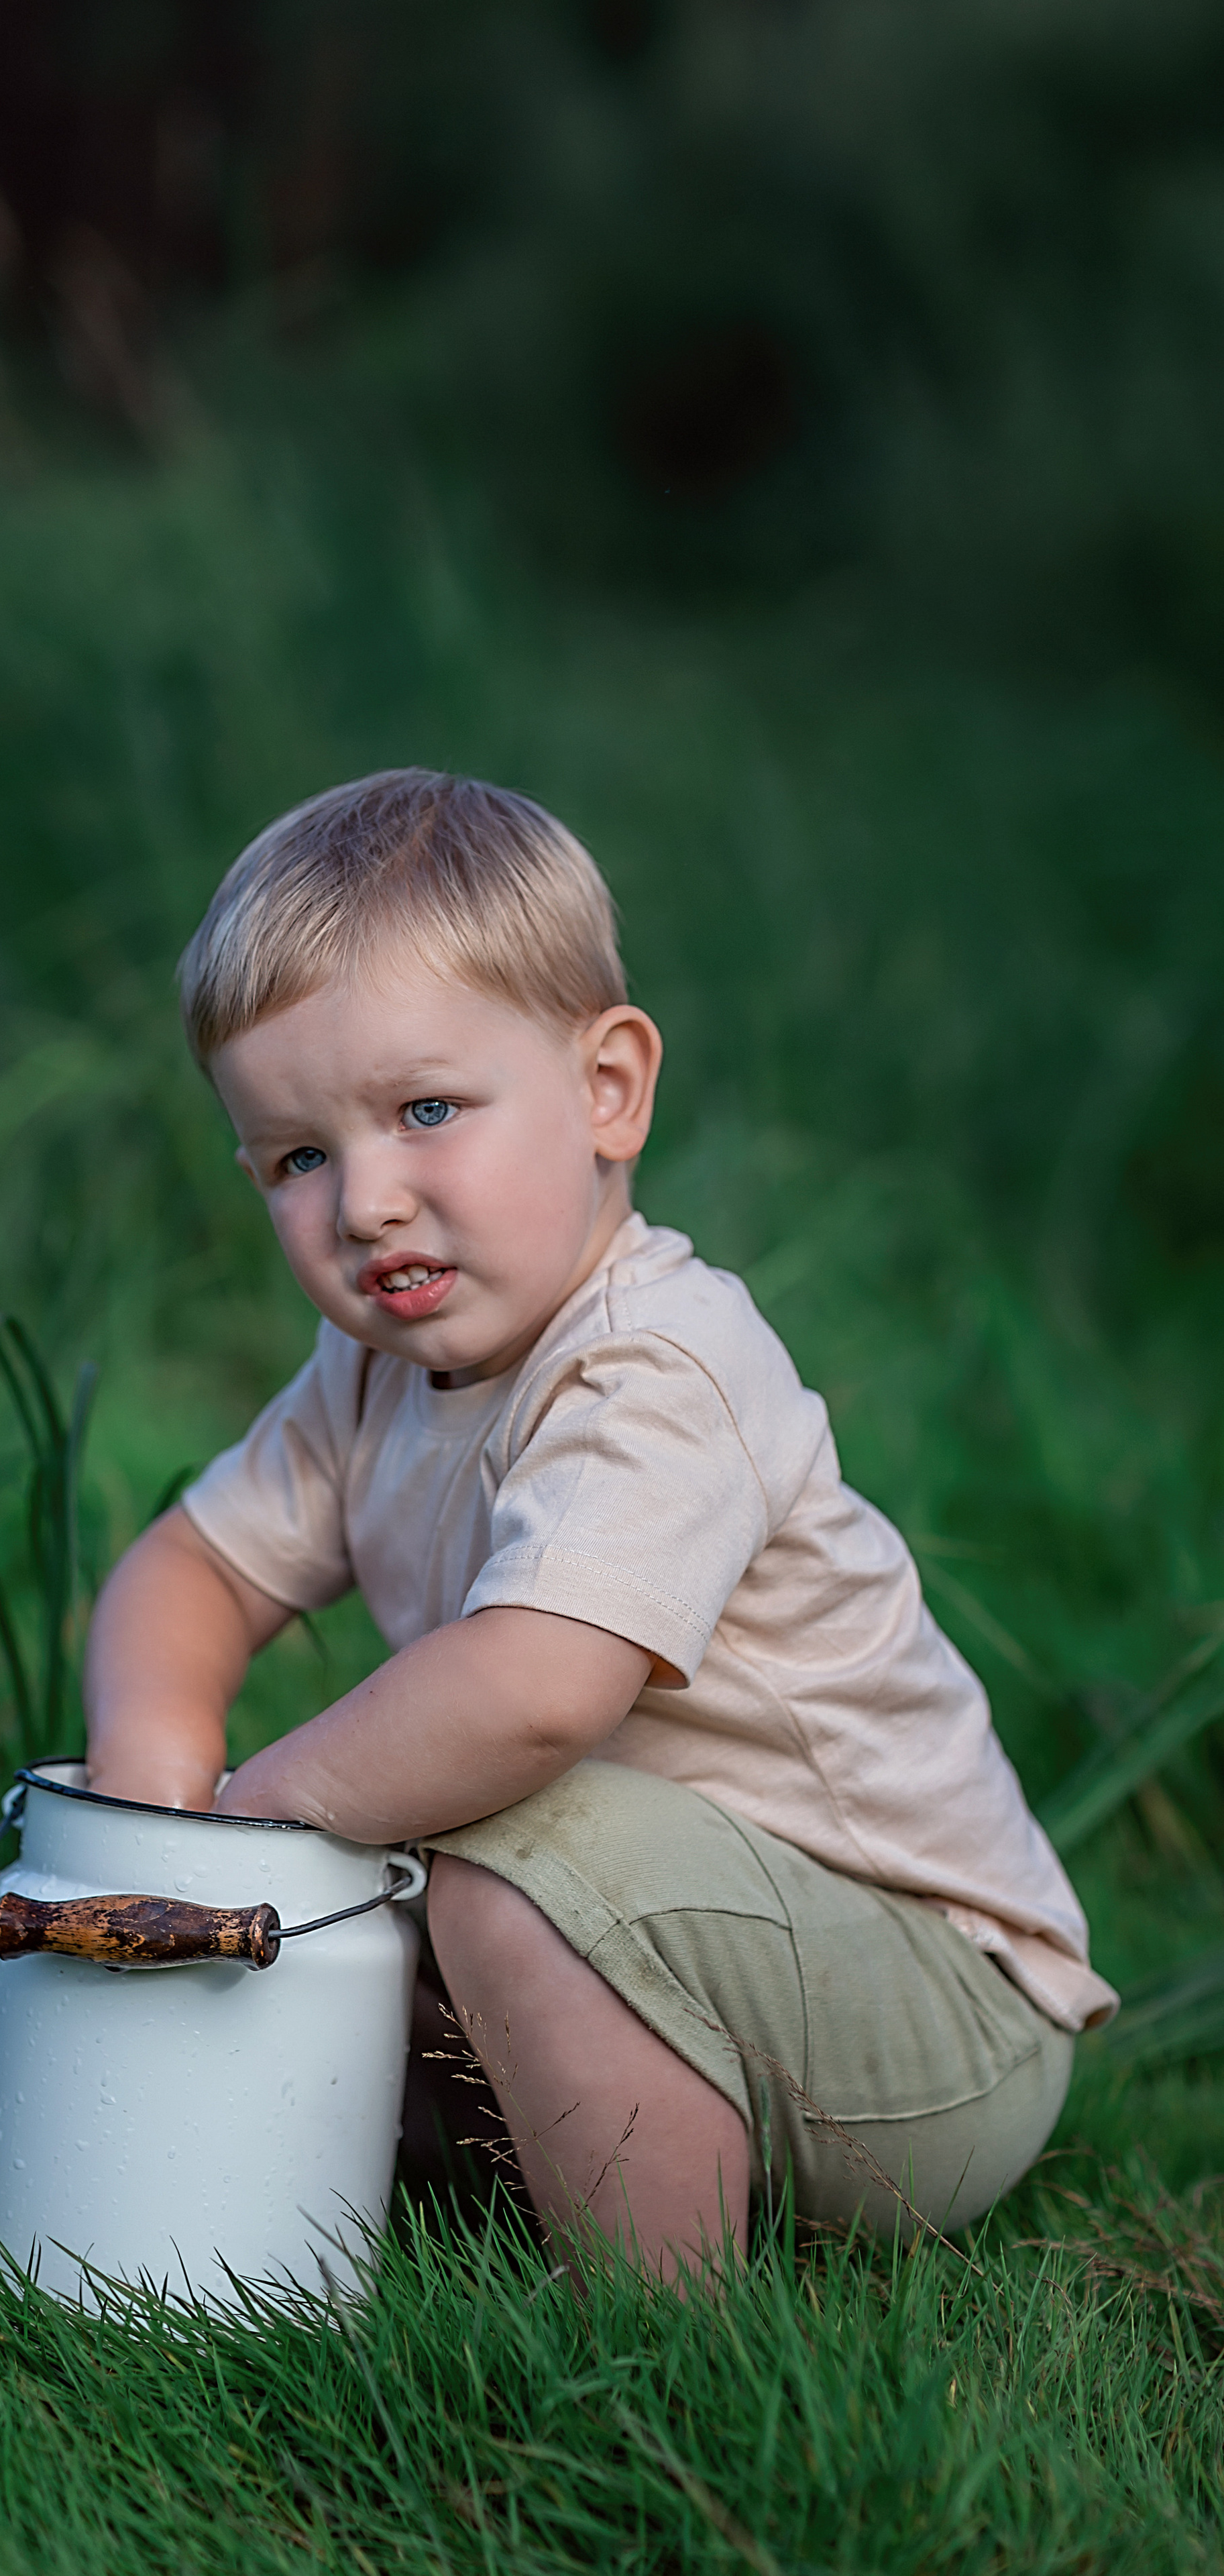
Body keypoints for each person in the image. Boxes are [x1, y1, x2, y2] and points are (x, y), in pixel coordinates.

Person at [82, 768, 1117, 2281]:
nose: (365, 1202)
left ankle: (659, 2347)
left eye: (425, 1111)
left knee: (488, 1868)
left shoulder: (658, 1367)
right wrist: (152, 1798)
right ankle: (380, 2189)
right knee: (369, 1935)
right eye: (299, 1157)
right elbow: (191, 1568)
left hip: (932, 2022)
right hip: (680, 1956)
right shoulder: (368, 1377)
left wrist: (258, 1823)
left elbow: (537, 1692)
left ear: (608, 1091)